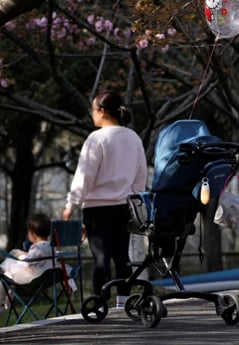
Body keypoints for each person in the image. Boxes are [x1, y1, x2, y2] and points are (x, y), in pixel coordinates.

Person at [62, 89, 148, 308]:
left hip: (97, 209)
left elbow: (85, 175)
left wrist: (71, 204)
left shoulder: (96, 139)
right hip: (125, 206)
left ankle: (100, 301)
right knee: (122, 257)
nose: (92, 114)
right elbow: (141, 174)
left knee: (101, 258)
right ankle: (124, 301)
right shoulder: (133, 138)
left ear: (101, 111)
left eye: (93, 110)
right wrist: (135, 199)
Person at [0, 214, 53, 310]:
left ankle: (2, 301)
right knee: (15, 253)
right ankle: (9, 295)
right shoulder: (51, 246)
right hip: (45, 276)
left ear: (32, 233)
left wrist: (21, 257)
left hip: (32, 278)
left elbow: (28, 263)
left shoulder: (37, 248)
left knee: (3, 275)